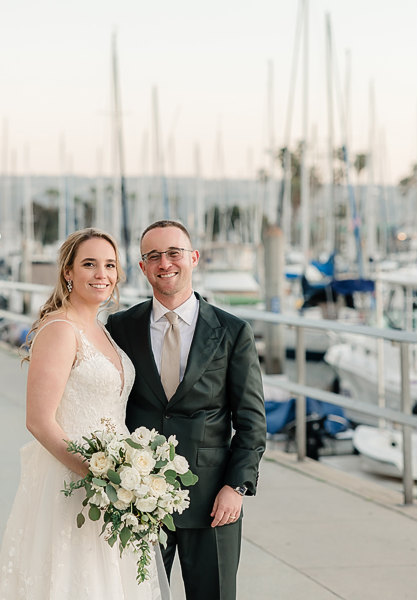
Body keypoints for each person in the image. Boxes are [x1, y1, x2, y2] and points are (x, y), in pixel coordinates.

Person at [0, 228, 167, 600]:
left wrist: (126, 478)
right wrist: (97, 473)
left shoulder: (104, 329)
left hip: (116, 482)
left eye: (109, 265)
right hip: (74, 480)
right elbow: (38, 420)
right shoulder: (60, 329)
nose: (101, 273)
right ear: (68, 272)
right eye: (89, 264)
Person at [106, 220, 267, 600]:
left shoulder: (233, 331)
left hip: (213, 499)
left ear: (193, 258)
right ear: (143, 267)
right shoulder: (119, 327)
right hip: (138, 497)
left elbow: (251, 420)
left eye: (174, 253)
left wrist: (237, 486)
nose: (165, 263)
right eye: (154, 256)